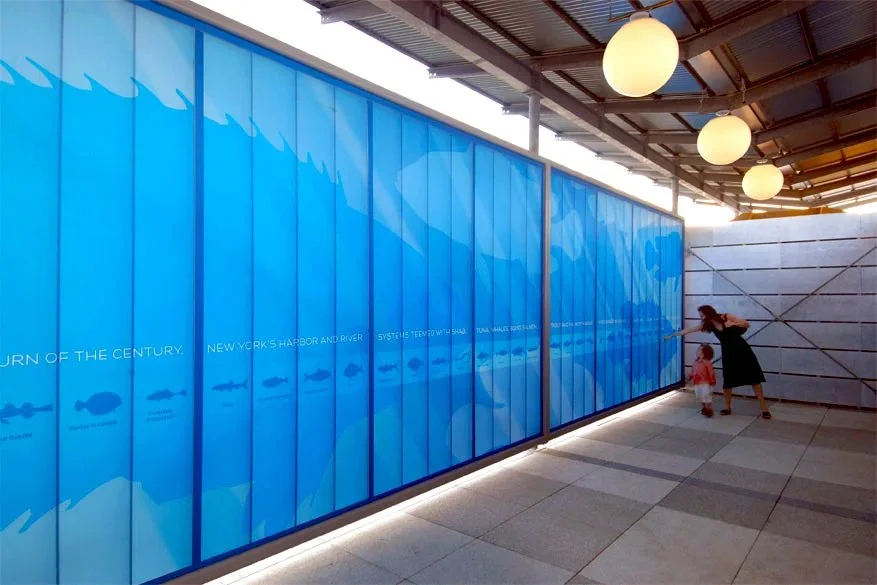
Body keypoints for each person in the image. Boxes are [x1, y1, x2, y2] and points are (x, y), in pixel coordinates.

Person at [666, 304, 771, 419]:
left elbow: (746, 323)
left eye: (703, 315)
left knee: (754, 379)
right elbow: (689, 330)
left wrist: (733, 324)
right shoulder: (708, 325)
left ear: (709, 313)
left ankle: (764, 409)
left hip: (743, 350)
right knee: (728, 381)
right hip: (728, 353)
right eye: (701, 316)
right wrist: (673, 335)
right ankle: (727, 408)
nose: (702, 318)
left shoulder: (725, 317)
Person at [689, 344, 716, 418]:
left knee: (706, 397)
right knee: (700, 397)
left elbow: (711, 372)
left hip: (706, 384)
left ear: (704, 353)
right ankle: (704, 408)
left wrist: (712, 381)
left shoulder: (707, 362)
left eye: (699, 350)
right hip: (697, 383)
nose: (697, 351)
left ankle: (708, 409)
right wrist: (690, 376)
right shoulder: (695, 362)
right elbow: (693, 371)